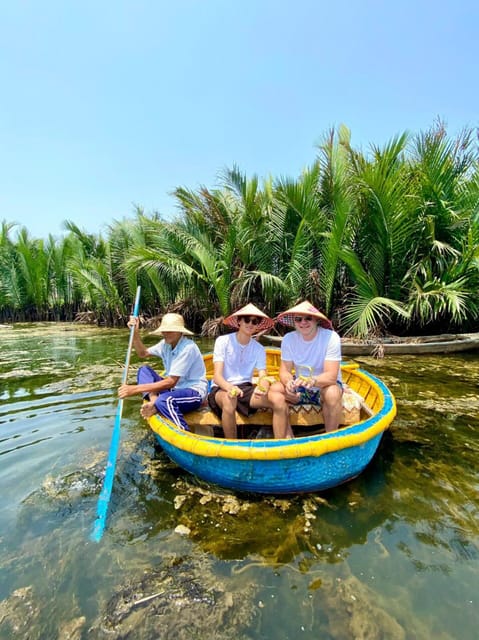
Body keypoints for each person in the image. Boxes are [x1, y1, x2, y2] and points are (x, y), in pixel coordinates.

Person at [208, 303, 293, 439]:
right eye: (247, 319)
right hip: (221, 387)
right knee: (230, 399)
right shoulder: (223, 341)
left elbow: (263, 376)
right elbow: (217, 377)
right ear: (239, 321)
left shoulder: (258, 348)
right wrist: (230, 388)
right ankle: (232, 446)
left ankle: (281, 445)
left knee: (279, 399)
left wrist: (263, 388)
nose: (250, 324)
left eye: (255, 321)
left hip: (245, 389)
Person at [118, 312, 208, 431]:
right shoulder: (165, 344)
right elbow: (143, 353)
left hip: (193, 392)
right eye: (164, 330)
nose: (166, 333)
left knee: (166, 400)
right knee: (144, 370)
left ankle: (183, 430)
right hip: (174, 390)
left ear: (180, 332)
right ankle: (155, 402)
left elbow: (171, 382)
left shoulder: (188, 348)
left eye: (170, 331)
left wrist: (133, 389)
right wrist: (135, 333)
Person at [277, 300, 343, 432]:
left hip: (324, 385)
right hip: (300, 386)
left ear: (316, 320)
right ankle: (287, 438)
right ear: (294, 322)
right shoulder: (288, 339)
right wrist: (289, 383)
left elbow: (331, 376)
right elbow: (284, 371)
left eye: (308, 318)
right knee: (275, 390)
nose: (303, 322)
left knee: (332, 393)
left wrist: (313, 380)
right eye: (298, 319)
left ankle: (330, 439)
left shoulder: (331, 337)